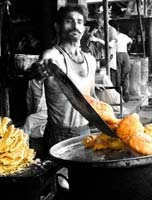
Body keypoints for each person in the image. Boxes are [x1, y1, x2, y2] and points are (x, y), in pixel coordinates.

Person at [31, 4, 97, 156]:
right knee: (62, 179)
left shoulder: (90, 60)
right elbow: (41, 65)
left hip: (86, 132)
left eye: (80, 22)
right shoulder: (53, 56)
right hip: (60, 135)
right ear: (57, 26)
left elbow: (92, 98)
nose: (76, 26)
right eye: (69, 21)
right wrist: (39, 68)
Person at [89, 8, 118, 86]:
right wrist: (91, 34)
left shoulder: (112, 30)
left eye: (100, 21)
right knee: (100, 80)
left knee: (110, 83)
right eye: (97, 21)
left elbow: (111, 45)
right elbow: (91, 43)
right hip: (99, 59)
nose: (99, 23)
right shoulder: (98, 31)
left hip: (109, 60)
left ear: (105, 21)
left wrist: (97, 40)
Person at [116, 31, 132, 102]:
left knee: (118, 74)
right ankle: (126, 95)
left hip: (117, 55)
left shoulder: (114, 36)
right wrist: (128, 47)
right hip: (125, 55)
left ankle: (119, 94)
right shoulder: (124, 35)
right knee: (126, 75)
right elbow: (131, 41)